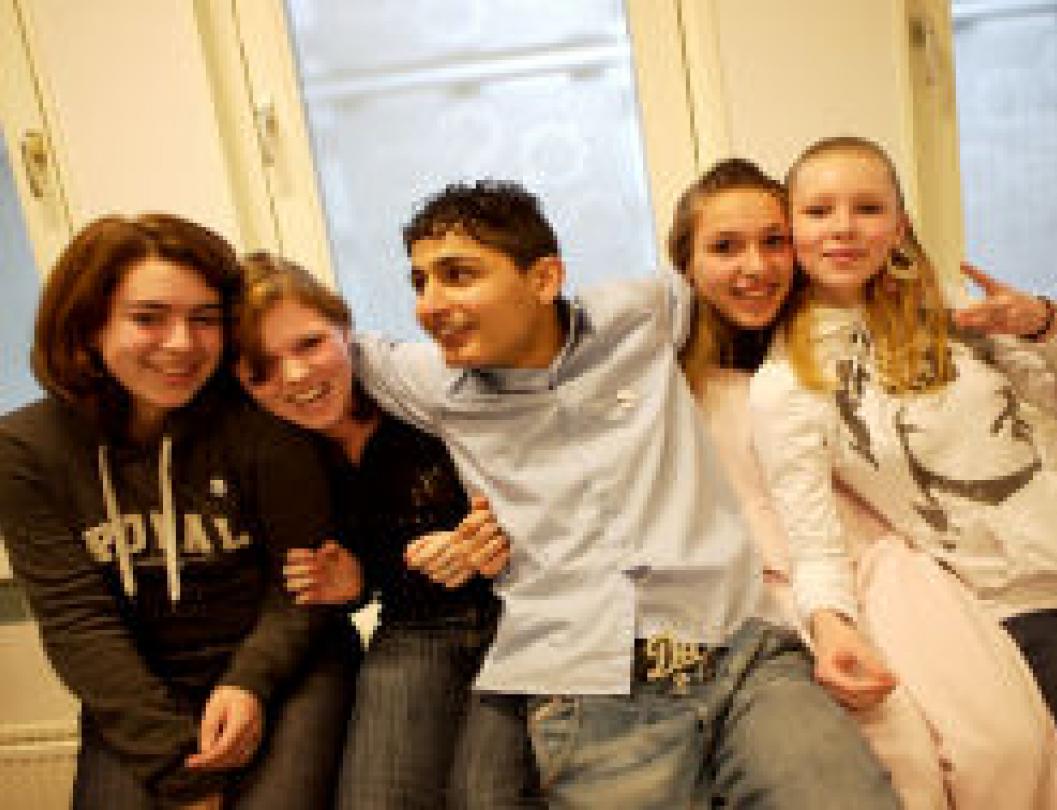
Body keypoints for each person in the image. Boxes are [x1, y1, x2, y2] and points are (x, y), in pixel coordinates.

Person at [344, 179, 901, 807]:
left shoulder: (641, 313)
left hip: (742, 650)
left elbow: (757, 269)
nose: (429, 305)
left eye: (458, 275)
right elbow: (315, 349)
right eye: (419, 282)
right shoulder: (434, 383)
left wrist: (969, 318)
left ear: (544, 278)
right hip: (595, 688)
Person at [671, 157, 1057, 808]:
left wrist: (1043, 324)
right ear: (685, 263)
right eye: (724, 247)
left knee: (1001, 746)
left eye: (773, 241)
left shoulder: (877, 336)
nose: (755, 266)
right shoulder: (678, 375)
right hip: (783, 583)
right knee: (899, 759)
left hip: (897, 561)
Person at [0, 214, 352, 810]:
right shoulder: (25, 450)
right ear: (89, 324)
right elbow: (76, 621)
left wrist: (248, 683)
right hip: (139, 685)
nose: (182, 343)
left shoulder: (264, 419)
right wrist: (176, 768)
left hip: (284, 669)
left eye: (204, 319)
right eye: (148, 318)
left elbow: (301, 587)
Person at [231, 253, 539, 809]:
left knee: (485, 795)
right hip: (415, 628)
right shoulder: (276, 454)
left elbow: (549, 490)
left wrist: (494, 535)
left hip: (518, 618)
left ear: (344, 329)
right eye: (263, 369)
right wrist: (355, 583)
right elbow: (364, 574)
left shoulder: (422, 393)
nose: (296, 376)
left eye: (310, 344)